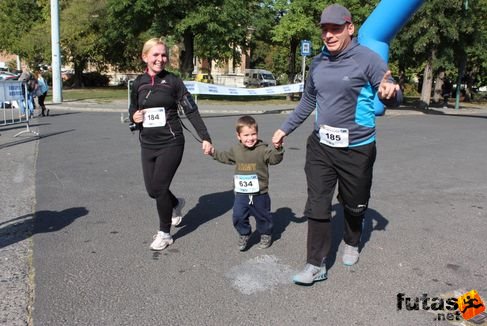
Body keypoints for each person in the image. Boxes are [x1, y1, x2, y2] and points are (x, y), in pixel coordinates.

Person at [271, 4, 402, 286]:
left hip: (357, 148)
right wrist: (285, 128)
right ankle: (314, 264)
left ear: (350, 28)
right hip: (321, 146)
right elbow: (308, 100)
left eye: (335, 28)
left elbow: (391, 91)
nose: (329, 35)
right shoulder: (318, 63)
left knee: (354, 205)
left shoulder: (367, 59)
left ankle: (352, 240)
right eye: (324, 29)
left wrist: (391, 95)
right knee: (317, 203)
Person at [129, 37, 214, 251]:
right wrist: (134, 116)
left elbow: (191, 110)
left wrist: (205, 137)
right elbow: (133, 109)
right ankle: (175, 204)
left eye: (163, 55)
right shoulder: (138, 83)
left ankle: (165, 233)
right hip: (148, 142)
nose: (160, 59)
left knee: (159, 187)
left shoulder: (174, 81)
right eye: (155, 55)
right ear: (145, 56)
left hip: (171, 141)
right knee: (153, 190)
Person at [209, 115, 284, 251]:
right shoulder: (236, 150)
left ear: (257, 133)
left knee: (263, 216)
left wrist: (278, 149)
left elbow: (274, 159)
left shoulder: (263, 149)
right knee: (238, 215)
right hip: (241, 194)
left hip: (260, 193)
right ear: (238, 136)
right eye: (246, 135)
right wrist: (213, 152)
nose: (250, 138)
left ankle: (266, 233)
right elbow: (225, 157)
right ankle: (244, 233)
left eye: (253, 134)